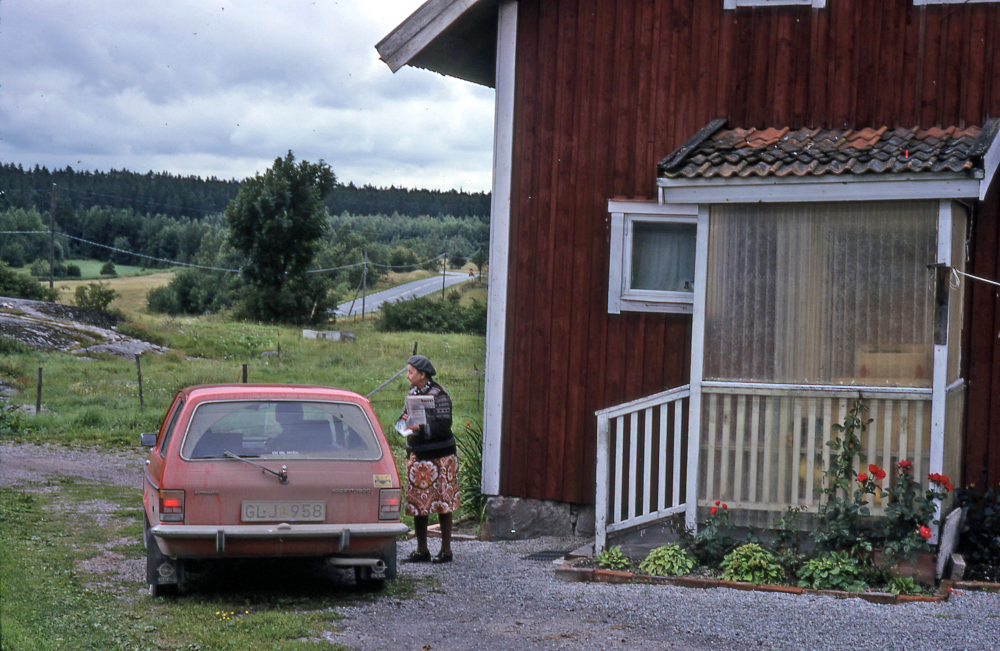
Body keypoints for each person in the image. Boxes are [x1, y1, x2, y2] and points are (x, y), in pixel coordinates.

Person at [398, 354, 459, 563]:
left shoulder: (440, 394)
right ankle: (422, 550)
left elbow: (444, 426)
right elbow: (406, 416)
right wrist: (403, 424)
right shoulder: (412, 393)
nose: (408, 376)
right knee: (418, 503)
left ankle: (446, 550)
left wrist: (420, 429)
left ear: (422, 374)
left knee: (443, 501)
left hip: (441, 457)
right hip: (419, 455)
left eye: (410, 372)